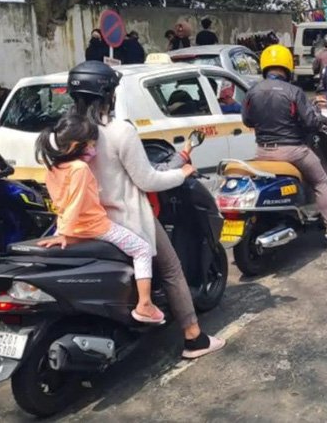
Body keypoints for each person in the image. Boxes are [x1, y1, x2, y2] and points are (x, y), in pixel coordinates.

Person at [66, 61, 224, 359]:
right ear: (107, 94)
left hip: (80, 220)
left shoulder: (62, 133)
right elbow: (147, 179)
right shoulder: (118, 131)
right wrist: (183, 173)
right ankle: (193, 337)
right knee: (171, 268)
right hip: (125, 219)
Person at [36, 114, 168, 324]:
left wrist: (62, 232)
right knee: (142, 249)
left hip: (74, 230)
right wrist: (63, 233)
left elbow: (61, 205)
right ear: (75, 146)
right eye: (90, 144)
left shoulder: (52, 170)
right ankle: (145, 304)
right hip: (96, 227)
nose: (93, 149)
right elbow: (75, 202)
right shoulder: (79, 169)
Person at [243, 44, 327, 245]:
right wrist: (321, 119)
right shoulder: (294, 91)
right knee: (322, 181)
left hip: (262, 151)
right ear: (287, 66)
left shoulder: (252, 92)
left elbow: (248, 121)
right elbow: (310, 122)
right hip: (293, 151)